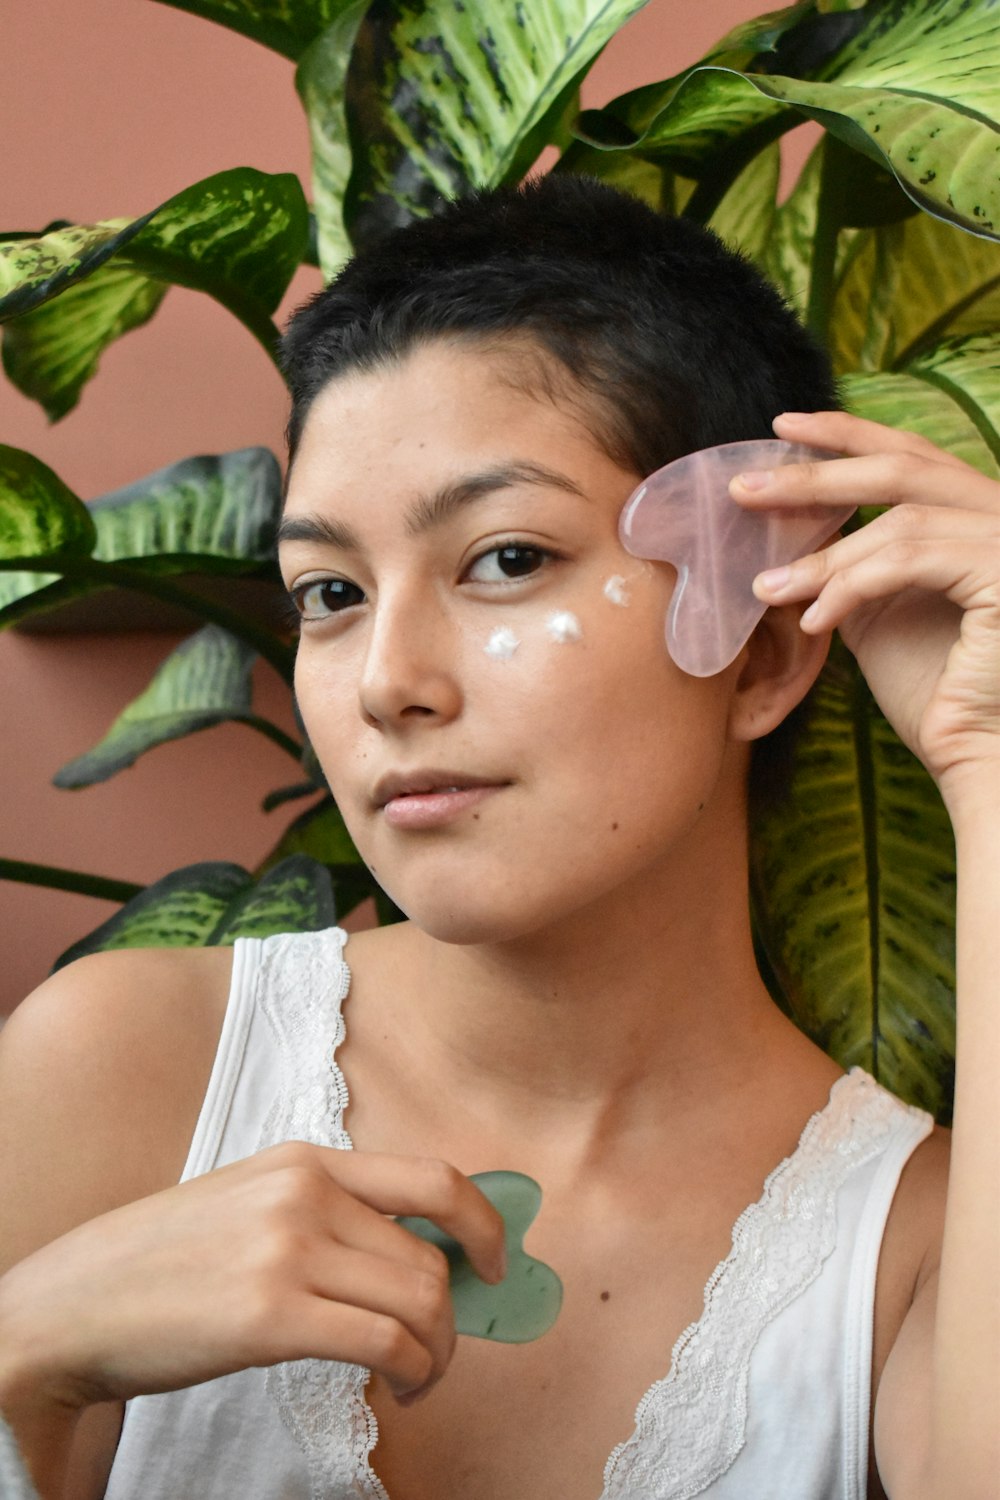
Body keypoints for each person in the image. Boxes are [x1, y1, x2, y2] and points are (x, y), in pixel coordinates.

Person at [0, 175, 996, 1500]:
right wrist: (31, 1346)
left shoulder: (914, 1246)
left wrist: (989, 768)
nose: (384, 683)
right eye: (331, 593)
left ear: (757, 649)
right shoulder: (125, 1067)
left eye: (506, 558)